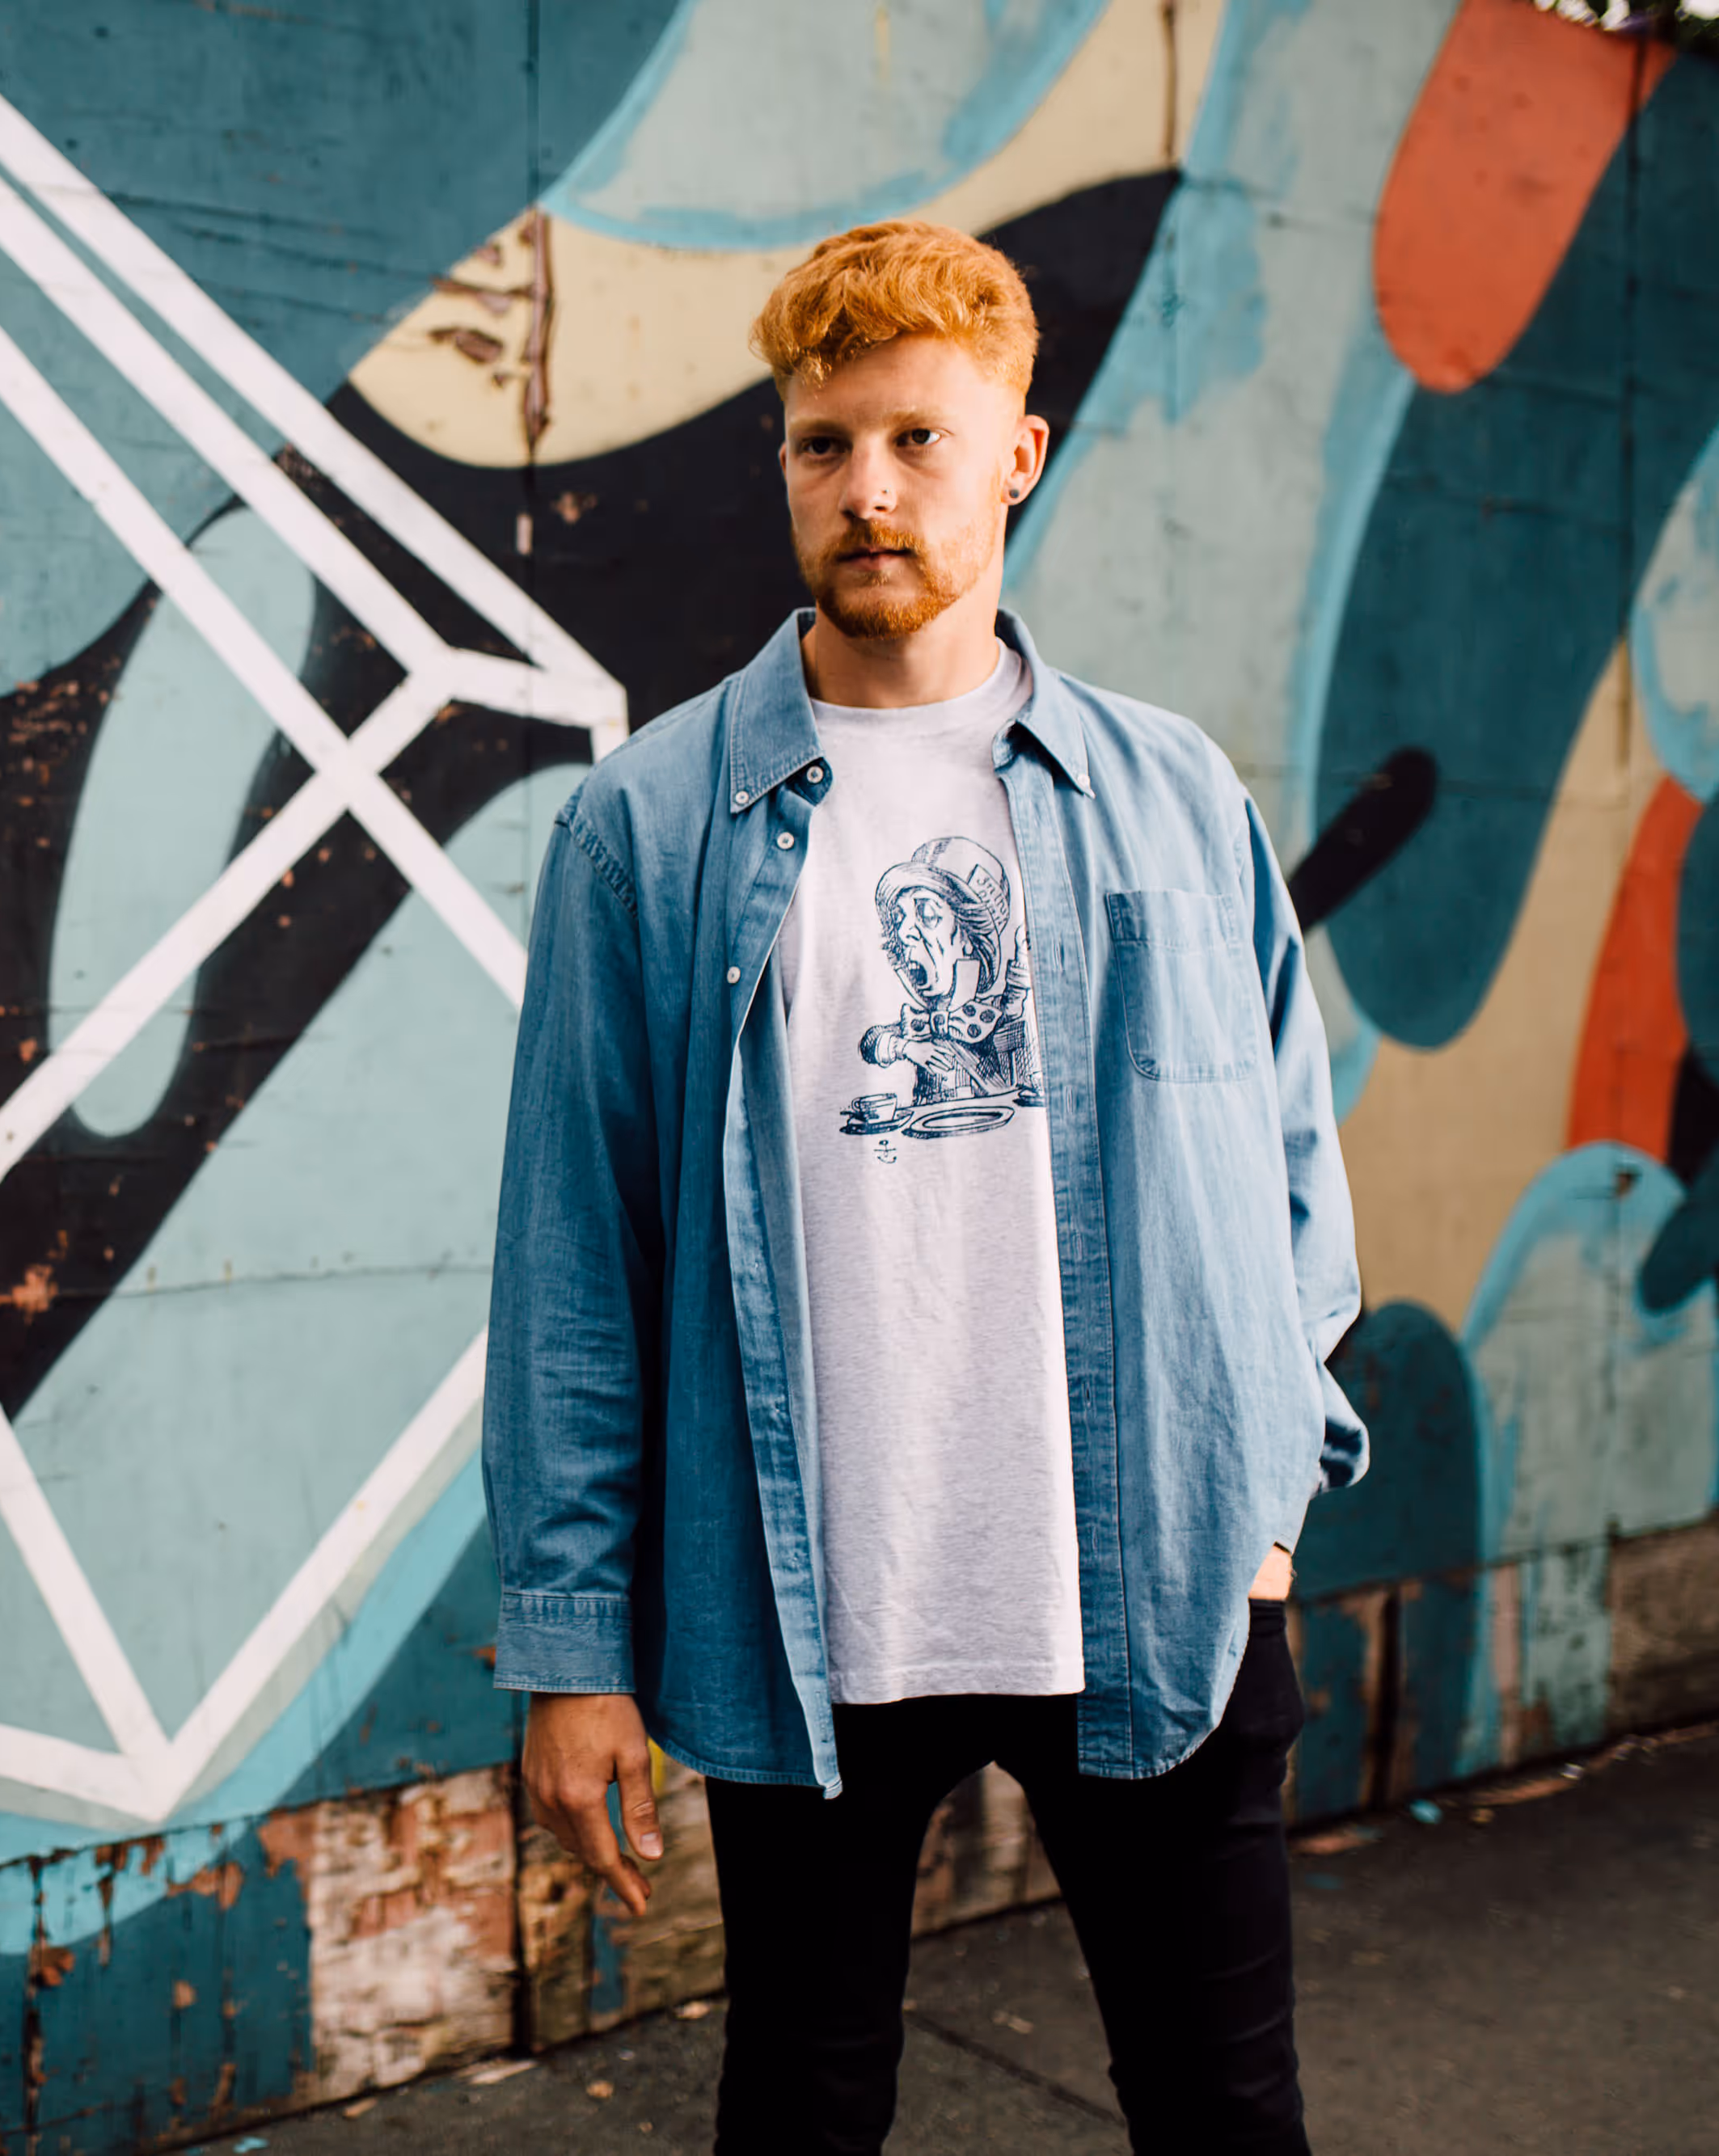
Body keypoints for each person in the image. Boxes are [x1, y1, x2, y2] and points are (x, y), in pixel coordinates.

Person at [481, 220, 1362, 2156]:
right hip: (808, 1604)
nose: (866, 490)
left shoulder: (1168, 796)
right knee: (796, 2105)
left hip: (1151, 1584)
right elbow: (572, 1262)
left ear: (1016, 454)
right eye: (820, 446)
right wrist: (569, 1651)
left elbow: (1295, 1168)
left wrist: (1272, 1499)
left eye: (916, 440)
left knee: (1223, 2113)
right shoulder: (646, 825)